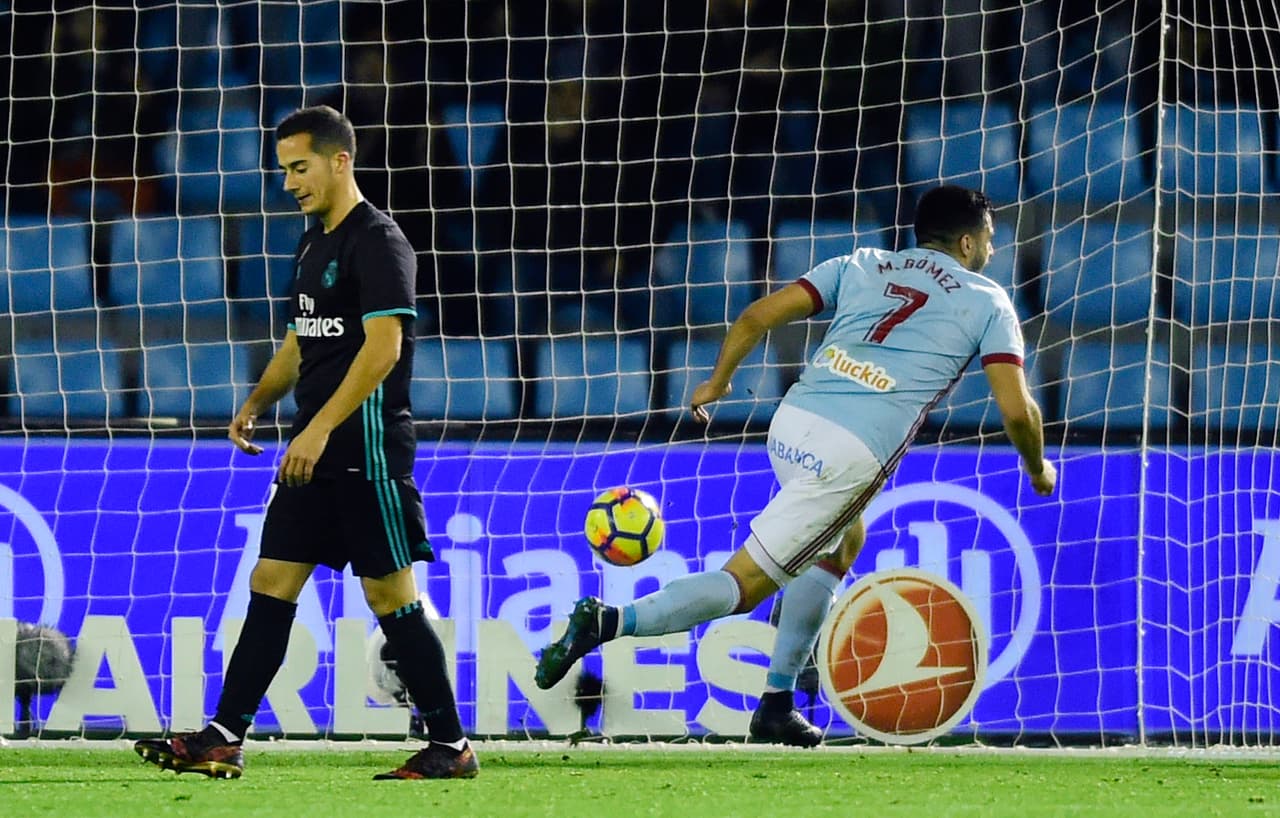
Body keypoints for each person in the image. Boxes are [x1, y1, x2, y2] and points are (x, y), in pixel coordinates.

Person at [534, 185, 1057, 746]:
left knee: (842, 541)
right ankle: (607, 621)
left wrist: (718, 380)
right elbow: (1016, 410)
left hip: (791, 423)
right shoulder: (987, 299)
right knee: (744, 588)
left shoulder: (860, 263)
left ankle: (777, 703)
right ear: (967, 241)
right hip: (849, 457)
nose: (991, 252)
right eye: (990, 241)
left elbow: (758, 315)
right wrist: (1037, 468)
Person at [135, 106, 478, 780]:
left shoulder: (377, 240)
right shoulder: (311, 241)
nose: (289, 181)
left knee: (391, 597)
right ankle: (223, 734)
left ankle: (451, 745)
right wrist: (260, 399)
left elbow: (384, 348)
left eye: (299, 167)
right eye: (283, 169)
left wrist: (319, 429)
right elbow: (303, 339)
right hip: (311, 448)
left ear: (339, 160)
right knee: (272, 580)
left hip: (365, 448)